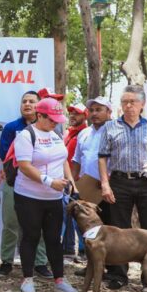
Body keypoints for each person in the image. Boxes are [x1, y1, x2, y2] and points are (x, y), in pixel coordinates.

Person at [98, 85, 147, 290]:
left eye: (133, 101)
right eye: (125, 102)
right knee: (118, 229)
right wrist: (105, 184)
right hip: (119, 181)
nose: (128, 106)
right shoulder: (110, 127)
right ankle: (118, 275)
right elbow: (102, 158)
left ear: (142, 104)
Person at [13, 98, 78, 292]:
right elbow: (24, 166)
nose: (55, 123)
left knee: (54, 238)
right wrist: (49, 181)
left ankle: (59, 279)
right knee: (31, 236)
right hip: (29, 196)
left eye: (57, 120)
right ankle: (27, 279)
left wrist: (71, 182)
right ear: (39, 115)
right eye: (51, 119)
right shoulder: (26, 135)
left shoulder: (56, 134)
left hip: (54, 197)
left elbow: (63, 159)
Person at [0, 91, 52, 278]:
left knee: (38, 225)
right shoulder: (11, 128)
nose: (27, 104)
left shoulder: (48, 128)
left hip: (39, 183)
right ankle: (6, 262)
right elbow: (5, 156)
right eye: (24, 101)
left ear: (39, 106)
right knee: (10, 223)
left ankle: (40, 262)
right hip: (14, 181)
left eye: (31, 101)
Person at [72, 97, 113, 206]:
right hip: (84, 187)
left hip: (108, 189)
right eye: (91, 110)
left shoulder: (116, 133)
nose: (94, 113)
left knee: (108, 216)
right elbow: (77, 159)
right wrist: (73, 183)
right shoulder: (84, 133)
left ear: (109, 112)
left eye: (98, 110)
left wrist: (108, 180)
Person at [62, 103, 89, 259]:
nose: (72, 115)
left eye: (76, 113)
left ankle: (84, 250)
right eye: (71, 112)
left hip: (79, 182)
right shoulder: (68, 133)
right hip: (66, 181)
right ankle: (69, 249)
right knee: (68, 216)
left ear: (85, 115)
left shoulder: (86, 133)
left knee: (80, 218)